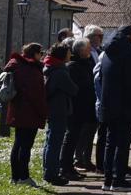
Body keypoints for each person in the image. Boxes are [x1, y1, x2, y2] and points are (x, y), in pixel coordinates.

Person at [97, 25, 131, 192]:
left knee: (111, 142)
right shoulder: (129, 53)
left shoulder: (108, 52)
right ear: (129, 36)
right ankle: (118, 179)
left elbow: (101, 77)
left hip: (108, 103)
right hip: (125, 105)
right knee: (122, 144)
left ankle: (108, 179)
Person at [4, 42, 48, 186]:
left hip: (17, 110)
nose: (42, 57)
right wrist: (43, 112)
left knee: (18, 144)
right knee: (25, 146)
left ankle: (15, 177)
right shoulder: (31, 69)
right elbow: (36, 94)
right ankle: (24, 177)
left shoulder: (16, 64)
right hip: (30, 112)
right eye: (41, 54)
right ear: (35, 54)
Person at [42, 42, 77, 186]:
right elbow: (73, 89)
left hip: (53, 108)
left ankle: (48, 170)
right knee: (55, 142)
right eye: (69, 53)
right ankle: (52, 173)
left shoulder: (50, 68)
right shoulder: (60, 71)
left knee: (50, 140)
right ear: (63, 56)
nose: (71, 55)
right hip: (59, 109)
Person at [61, 37, 95, 180]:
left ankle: (70, 167)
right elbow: (75, 88)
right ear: (80, 51)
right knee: (70, 137)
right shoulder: (72, 66)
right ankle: (65, 167)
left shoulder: (85, 63)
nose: (89, 51)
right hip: (75, 108)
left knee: (75, 138)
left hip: (84, 107)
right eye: (87, 49)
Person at [76, 25, 104, 171]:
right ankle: (79, 158)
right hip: (86, 98)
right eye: (99, 36)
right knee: (84, 130)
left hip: (95, 97)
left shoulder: (99, 52)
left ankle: (87, 158)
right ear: (91, 37)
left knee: (92, 129)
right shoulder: (85, 54)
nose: (101, 39)